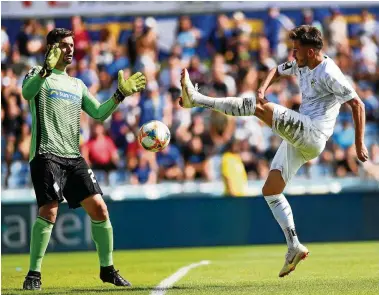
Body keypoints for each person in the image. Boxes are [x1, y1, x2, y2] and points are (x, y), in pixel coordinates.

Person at [179, 25, 368, 277]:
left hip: (313, 133)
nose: (293, 53)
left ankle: (198, 100)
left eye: (297, 49)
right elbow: (276, 70)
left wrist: (359, 143)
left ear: (311, 52)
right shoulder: (301, 63)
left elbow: (358, 104)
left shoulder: (329, 73)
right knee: (270, 190)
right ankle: (293, 246)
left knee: (259, 109)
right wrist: (262, 88)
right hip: (302, 136)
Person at [21, 28, 146, 290]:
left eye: (71, 45)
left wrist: (119, 95)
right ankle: (33, 274)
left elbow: (99, 113)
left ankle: (108, 269)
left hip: (73, 156)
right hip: (46, 154)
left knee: (100, 208)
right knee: (50, 210)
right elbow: (27, 93)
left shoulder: (77, 84)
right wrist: (45, 69)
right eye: (64, 45)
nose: (70, 49)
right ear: (51, 48)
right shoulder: (37, 74)